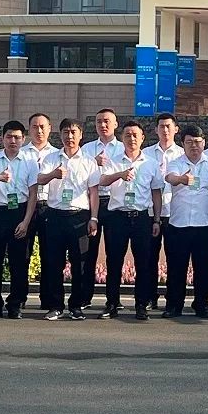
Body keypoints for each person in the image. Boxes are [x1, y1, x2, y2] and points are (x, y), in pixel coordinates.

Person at [98, 121, 163, 320]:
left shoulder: (150, 163)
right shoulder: (113, 160)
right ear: (122, 137)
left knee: (143, 263)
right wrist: (120, 174)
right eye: (127, 135)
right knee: (114, 262)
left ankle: (141, 305)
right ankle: (112, 303)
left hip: (141, 217)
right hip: (117, 217)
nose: (131, 138)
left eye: (135, 135)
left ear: (142, 138)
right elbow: (102, 181)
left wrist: (156, 220)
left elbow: (156, 193)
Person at [36, 119, 101, 321]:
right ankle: (56, 305)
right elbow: (40, 179)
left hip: (79, 217)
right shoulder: (51, 158)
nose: (69, 136)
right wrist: (53, 174)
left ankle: (76, 305)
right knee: (54, 263)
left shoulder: (88, 161)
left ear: (81, 135)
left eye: (73, 132)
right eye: (65, 132)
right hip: (55, 215)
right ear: (60, 134)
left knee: (79, 263)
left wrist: (94, 218)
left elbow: (93, 192)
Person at [0, 121, 39, 319]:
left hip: (20, 213)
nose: (13, 141)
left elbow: (33, 194)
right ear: (3, 138)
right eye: (9, 137)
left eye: (17, 137)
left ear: (23, 139)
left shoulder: (30, 161)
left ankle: (15, 304)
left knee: (19, 263)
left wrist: (26, 222)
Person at [164, 125, 208, 319]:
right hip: (179, 224)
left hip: (204, 224)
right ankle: (174, 305)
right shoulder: (176, 163)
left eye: (197, 142)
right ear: (183, 144)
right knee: (176, 267)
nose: (194, 146)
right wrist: (181, 179)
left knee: (203, 268)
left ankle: (201, 305)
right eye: (189, 142)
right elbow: (170, 178)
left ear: (204, 143)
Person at [80, 108, 124, 308]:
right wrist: (93, 163)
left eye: (107, 121)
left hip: (114, 204)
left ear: (115, 124)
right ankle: (84, 297)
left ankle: (113, 300)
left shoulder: (123, 148)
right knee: (88, 252)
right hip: (93, 202)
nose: (103, 125)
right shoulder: (87, 149)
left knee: (114, 253)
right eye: (99, 121)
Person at [144, 113, 184, 310]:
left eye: (169, 126)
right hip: (151, 213)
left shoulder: (183, 154)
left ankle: (172, 299)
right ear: (156, 130)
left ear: (176, 129)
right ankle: (149, 297)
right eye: (161, 126)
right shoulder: (146, 154)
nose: (165, 130)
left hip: (175, 213)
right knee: (149, 258)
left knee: (174, 258)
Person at [21, 112, 58, 310]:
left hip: (48, 207)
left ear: (50, 129)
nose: (39, 130)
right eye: (35, 126)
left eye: (43, 126)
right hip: (25, 207)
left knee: (49, 255)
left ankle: (48, 299)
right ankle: (19, 298)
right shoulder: (21, 154)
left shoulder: (57, 155)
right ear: (29, 130)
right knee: (23, 254)